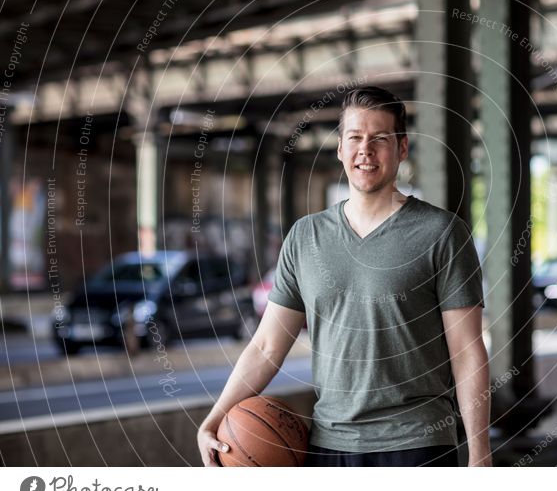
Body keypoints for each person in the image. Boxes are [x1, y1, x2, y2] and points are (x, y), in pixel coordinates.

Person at [197, 86, 491, 467]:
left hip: (419, 444)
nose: (365, 149)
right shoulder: (305, 237)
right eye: (354, 137)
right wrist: (214, 417)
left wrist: (479, 453)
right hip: (329, 447)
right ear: (340, 149)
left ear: (402, 149)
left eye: (379, 138)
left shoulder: (442, 233)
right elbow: (268, 346)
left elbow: (467, 351)